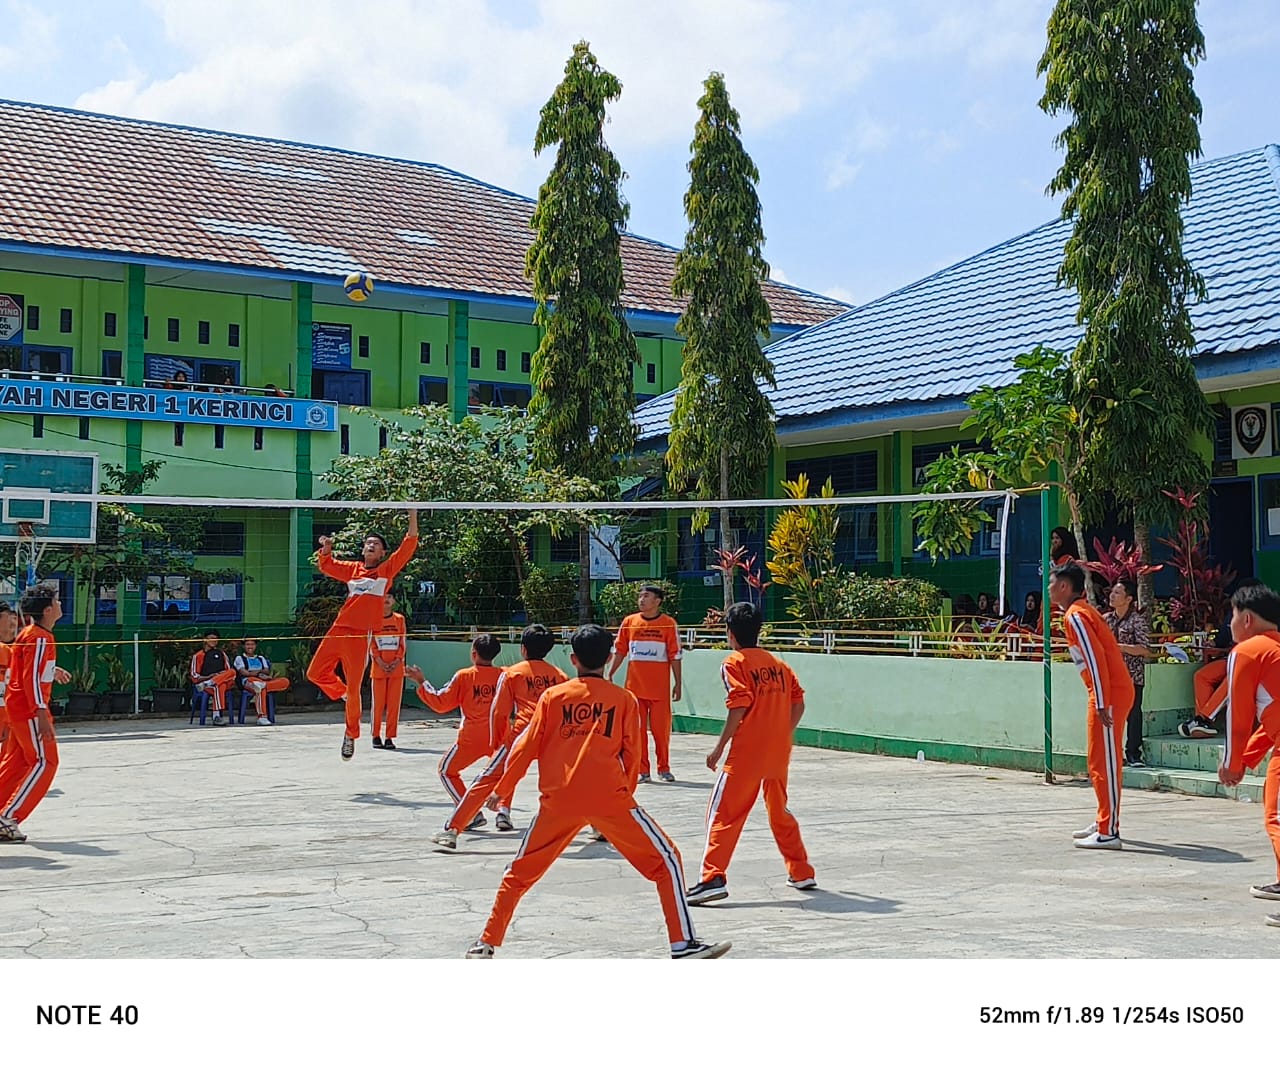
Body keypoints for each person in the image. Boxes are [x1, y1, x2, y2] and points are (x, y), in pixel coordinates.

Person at [463, 623, 729, 961]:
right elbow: (632, 754)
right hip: (609, 799)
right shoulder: (623, 699)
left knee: (519, 873)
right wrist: (626, 793)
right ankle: (682, 943)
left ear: (573, 659)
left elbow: (524, 746)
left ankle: (486, 942)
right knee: (667, 862)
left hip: (558, 800)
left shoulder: (553, 697)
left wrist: (503, 790)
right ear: (608, 658)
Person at [686, 602, 817, 905]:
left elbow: (739, 703)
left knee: (723, 814)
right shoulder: (779, 665)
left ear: (729, 633)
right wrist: (782, 731)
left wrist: (719, 747)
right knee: (778, 811)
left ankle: (712, 878)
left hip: (747, 753)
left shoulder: (734, 662)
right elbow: (799, 703)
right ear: (759, 631)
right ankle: (800, 870)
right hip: (777, 751)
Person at [431, 624, 566, 849]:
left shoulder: (512, 673)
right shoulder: (559, 676)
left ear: (523, 649)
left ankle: (453, 830)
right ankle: (596, 823)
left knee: (485, 780)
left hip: (522, 734)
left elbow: (499, 711)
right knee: (571, 779)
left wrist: (497, 740)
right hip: (553, 736)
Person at [307, 509, 418, 761]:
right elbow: (327, 565)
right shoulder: (352, 570)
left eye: (375, 544)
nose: (370, 545)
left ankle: (351, 734)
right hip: (339, 630)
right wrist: (326, 548)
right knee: (314, 674)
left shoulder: (386, 571)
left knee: (356, 688)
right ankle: (342, 692)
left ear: (382, 554)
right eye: (368, 542)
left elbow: (409, 543)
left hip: (360, 636)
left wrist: (412, 513)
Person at [1049, 562, 1134, 849]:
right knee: (1100, 760)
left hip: (1109, 694)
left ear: (1063, 587)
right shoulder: (1079, 613)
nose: (1048, 589)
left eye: (1052, 583)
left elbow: (1096, 659)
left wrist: (1101, 701)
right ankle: (1104, 820)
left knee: (1105, 763)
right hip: (1105, 693)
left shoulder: (1076, 616)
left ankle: (1109, 831)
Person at [1216, 583, 1280, 925]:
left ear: (1248, 619)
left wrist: (1231, 763)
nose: (1230, 622)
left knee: (1278, 821)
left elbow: (1236, 716)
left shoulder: (1247, 651)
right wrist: (1247, 759)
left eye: (1233, 614)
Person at [0, 583, 71, 842]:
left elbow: (28, 670)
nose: (61, 605)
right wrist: (41, 712)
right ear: (48, 609)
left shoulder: (30, 634)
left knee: (17, 764)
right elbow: (29, 679)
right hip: (30, 710)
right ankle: (8, 816)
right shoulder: (40, 637)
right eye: (58, 601)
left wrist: (53, 671)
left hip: (18, 708)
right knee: (45, 761)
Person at [407, 633, 504, 818]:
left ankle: (469, 813)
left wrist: (421, 681)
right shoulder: (503, 676)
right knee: (503, 774)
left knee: (446, 771)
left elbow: (441, 703)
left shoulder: (464, 676)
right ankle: (503, 813)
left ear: (473, 654)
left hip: (471, 737)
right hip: (499, 736)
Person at [606, 584, 683, 783]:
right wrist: (610, 672)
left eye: (646, 596)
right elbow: (620, 650)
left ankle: (664, 768)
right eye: (640, 596)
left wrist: (678, 683)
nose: (641, 600)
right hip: (634, 690)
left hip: (659, 692)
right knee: (636, 733)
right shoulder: (629, 622)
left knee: (661, 732)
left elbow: (675, 655)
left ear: (657, 601)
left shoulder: (668, 624)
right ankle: (642, 771)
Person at [1104, 578, 1157, 768]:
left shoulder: (1137, 620)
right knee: (1109, 714)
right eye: (1112, 592)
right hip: (1110, 675)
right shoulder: (1106, 619)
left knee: (1133, 714)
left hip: (1132, 675)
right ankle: (1111, 753)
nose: (1112, 596)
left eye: (1117, 593)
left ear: (1128, 599)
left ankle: (1133, 753)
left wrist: (1121, 647)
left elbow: (1145, 648)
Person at [1183, 605, 1239, 739]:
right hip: (1232, 657)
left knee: (1232, 677)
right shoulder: (1234, 612)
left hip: (1254, 662)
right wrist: (1212, 644)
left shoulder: (1265, 613)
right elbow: (1222, 639)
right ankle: (1202, 724)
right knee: (1201, 676)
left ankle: (1203, 719)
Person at [368, 593, 407, 749]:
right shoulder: (373, 619)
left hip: (396, 669)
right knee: (377, 704)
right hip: (379, 668)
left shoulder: (400, 619)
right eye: (383, 596)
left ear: (394, 601)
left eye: (390, 596)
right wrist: (380, 661)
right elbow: (371, 644)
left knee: (393, 705)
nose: (386, 599)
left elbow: (403, 642)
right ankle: (376, 735)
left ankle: (390, 737)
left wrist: (397, 660)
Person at [233, 638, 288, 726]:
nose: (250, 646)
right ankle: (262, 716)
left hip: (262, 681)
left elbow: (266, 671)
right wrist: (259, 673)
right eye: (248, 644)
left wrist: (258, 674)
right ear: (243, 646)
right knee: (258, 687)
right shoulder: (240, 658)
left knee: (284, 681)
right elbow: (245, 673)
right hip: (249, 681)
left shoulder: (261, 658)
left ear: (255, 646)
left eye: (252, 644)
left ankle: (263, 685)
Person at [190, 630, 237, 724]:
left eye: (216, 639)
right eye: (211, 638)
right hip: (205, 684)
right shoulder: (198, 656)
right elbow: (194, 676)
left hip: (219, 680)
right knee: (219, 686)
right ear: (205, 640)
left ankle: (212, 682)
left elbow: (228, 671)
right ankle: (216, 716)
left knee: (232, 672)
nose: (214, 641)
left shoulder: (222, 654)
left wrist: (219, 676)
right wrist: (209, 677)